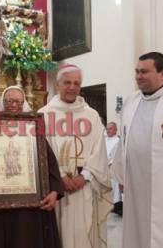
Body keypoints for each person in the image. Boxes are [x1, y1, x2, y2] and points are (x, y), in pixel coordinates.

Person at [0, 85, 64, 248]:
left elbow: (49, 163)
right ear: (2, 102)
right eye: (9, 101)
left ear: (24, 104)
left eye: (18, 101)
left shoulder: (33, 131)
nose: (13, 105)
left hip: (28, 210)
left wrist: (54, 191)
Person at [38, 64, 112, 248]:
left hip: (84, 187)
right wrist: (60, 176)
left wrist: (85, 176)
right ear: (58, 85)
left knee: (82, 233)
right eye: (67, 83)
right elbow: (40, 151)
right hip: (55, 189)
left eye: (76, 83)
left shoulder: (91, 115)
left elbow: (99, 150)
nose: (72, 87)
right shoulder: (43, 115)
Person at [111, 52, 163, 248]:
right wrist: (121, 176)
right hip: (135, 184)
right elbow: (124, 141)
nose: (138, 76)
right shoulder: (131, 101)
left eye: (144, 71)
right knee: (136, 233)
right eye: (136, 71)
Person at [105, 122, 122, 216]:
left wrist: (110, 164)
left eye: (110, 129)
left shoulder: (117, 141)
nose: (108, 131)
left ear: (115, 130)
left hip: (112, 168)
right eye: (107, 129)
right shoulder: (104, 140)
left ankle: (116, 206)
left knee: (114, 188)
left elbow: (116, 156)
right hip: (104, 168)